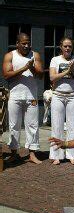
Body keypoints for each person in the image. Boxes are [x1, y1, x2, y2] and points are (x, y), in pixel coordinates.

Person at [2, 33, 43, 164]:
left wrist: (32, 69)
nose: (26, 46)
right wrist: (25, 68)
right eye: (23, 43)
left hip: (31, 96)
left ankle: (32, 154)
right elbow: (7, 75)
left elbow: (41, 75)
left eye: (28, 43)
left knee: (33, 125)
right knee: (14, 125)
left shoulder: (35, 55)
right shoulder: (10, 56)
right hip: (15, 96)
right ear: (17, 44)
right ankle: (14, 153)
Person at [49, 37, 74, 165]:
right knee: (56, 125)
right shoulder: (55, 60)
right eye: (65, 46)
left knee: (73, 126)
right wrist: (66, 71)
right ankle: (56, 155)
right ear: (61, 47)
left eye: (70, 46)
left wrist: (73, 70)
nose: (68, 48)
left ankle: (72, 155)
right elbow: (52, 77)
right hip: (58, 95)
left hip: (72, 95)